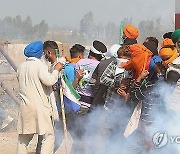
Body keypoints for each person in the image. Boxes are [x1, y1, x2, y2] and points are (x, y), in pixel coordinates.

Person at [17, 41, 63, 154]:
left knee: (23, 139)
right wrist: (57, 70)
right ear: (40, 53)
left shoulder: (21, 67)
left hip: (25, 107)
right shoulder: (39, 65)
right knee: (49, 136)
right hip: (40, 107)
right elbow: (49, 80)